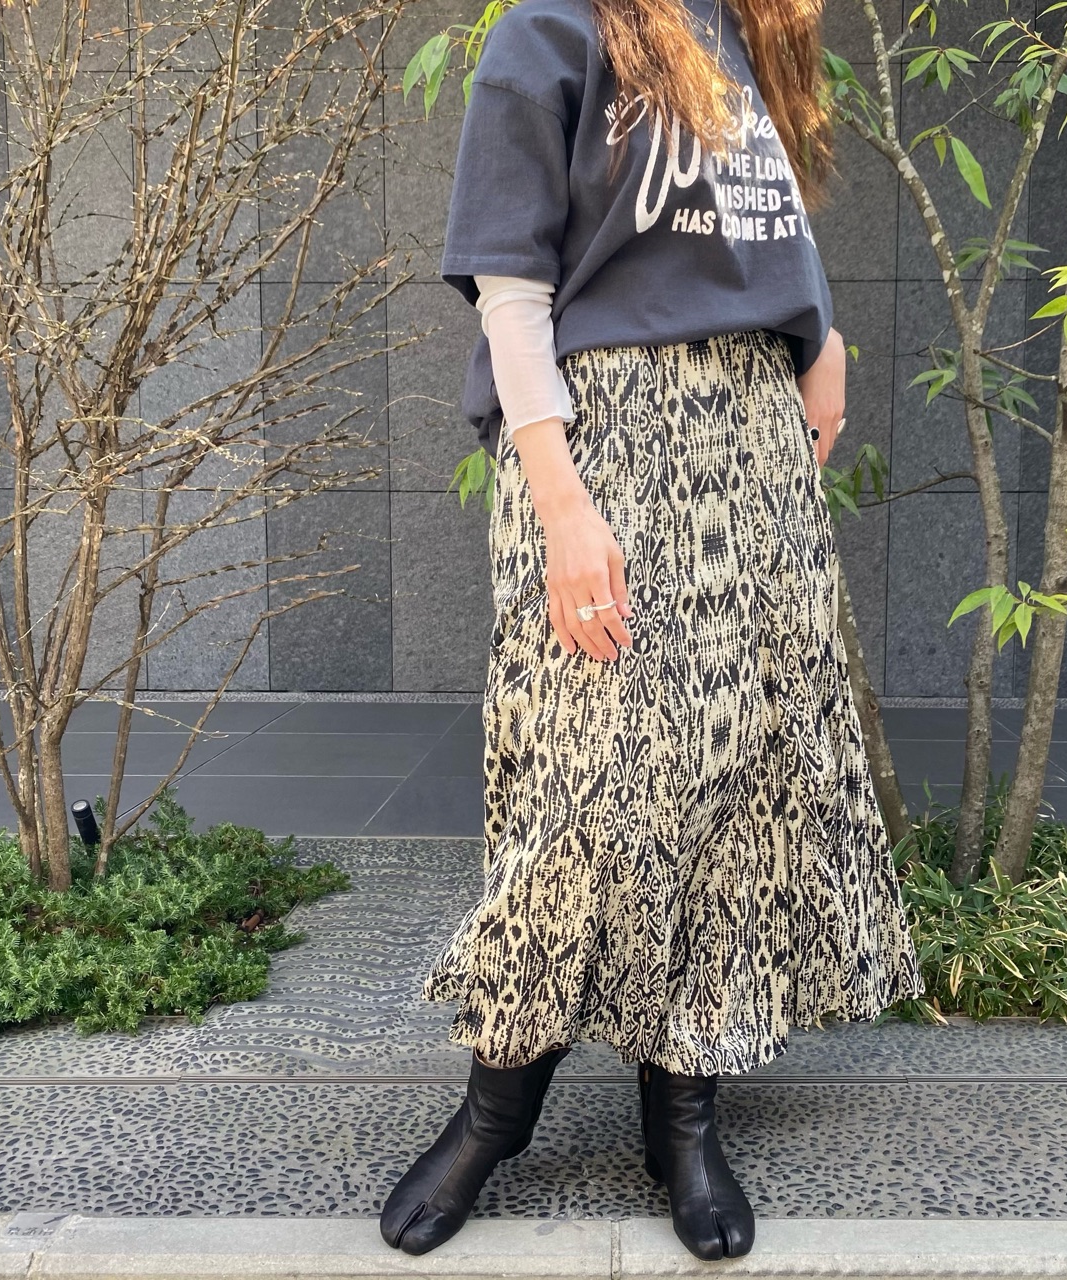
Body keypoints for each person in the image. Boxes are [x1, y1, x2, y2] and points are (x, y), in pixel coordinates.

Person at [379, 0, 925, 1261]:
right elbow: (510, 291)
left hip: (753, 433)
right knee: (582, 782)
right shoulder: (551, 31)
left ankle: (681, 1110)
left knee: (733, 776)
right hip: (604, 441)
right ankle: (497, 1104)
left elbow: (754, 222)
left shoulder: (744, 25)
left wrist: (822, 334)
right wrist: (563, 506)